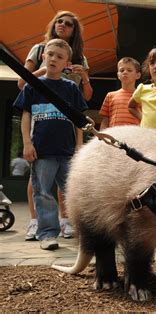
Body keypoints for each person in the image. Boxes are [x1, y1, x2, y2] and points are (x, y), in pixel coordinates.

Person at [19, 11, 91, 240]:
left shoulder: (71, 87)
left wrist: (80, 144)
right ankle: (45, 231)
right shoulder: (34, 82)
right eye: (50, 55)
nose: (53, 59)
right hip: (41, 146)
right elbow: (25, 106)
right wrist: (27, 143)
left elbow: (80, 114)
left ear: (67, 62)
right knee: (42, 189)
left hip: (67, 148)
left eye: (59, 57)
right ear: (44, 55)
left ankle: (72, 225)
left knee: (71, 190)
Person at [99, 57, 141, 129]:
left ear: (137, 75)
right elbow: (105, 120)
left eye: (129, 70)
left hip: (134, 136)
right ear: (118, 75)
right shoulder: (110, 95)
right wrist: (102, 138)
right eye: (122, 70)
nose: (125, 72)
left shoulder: (142, 97)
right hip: (114, 136)